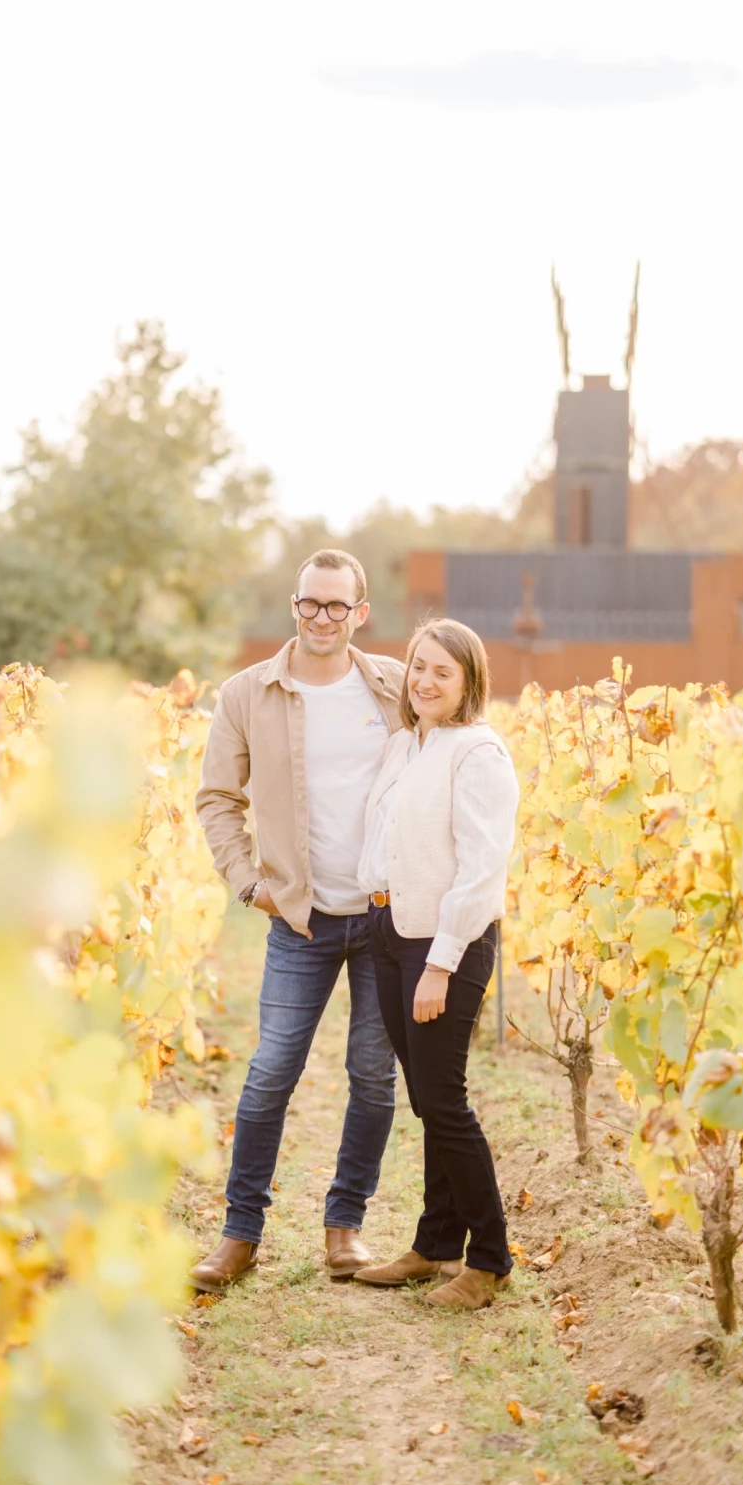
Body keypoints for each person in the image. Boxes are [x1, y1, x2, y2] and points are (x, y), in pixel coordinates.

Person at [190, 549, 404, 1292]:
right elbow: (217, 798)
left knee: (373, 1078)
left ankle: (346, 1226)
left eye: (336, 607)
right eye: (310, 604)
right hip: (300, 921)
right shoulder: (247, 694)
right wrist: (250, 885)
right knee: (269, 1074)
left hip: (383, 918)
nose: (321, 618)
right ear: (294, 606)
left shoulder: (396, 688)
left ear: (360, 614)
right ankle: (239, 1234)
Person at [353, 618, 519, 1310]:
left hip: (445, 942)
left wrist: (442, 962)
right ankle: (433, 1246)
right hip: (393, 930)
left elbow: (483, 869)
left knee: (444, 1101)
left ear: (467, 682)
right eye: (418, 667)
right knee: (426, 1097)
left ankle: (489, 1261)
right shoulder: (405, 746)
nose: (424, 681)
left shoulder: (477, 752)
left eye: (441, 672)